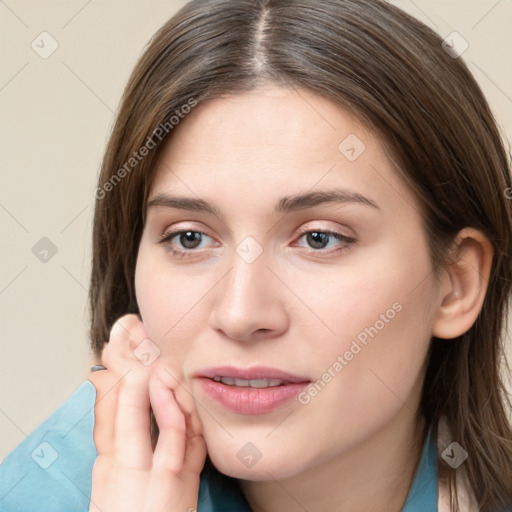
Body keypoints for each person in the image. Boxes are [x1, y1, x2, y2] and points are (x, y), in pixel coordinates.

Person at [1, 0, 511, 511]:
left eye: (319, 238)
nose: (241, 314)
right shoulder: (46, 491)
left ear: (455, 283)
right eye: (190, 238)